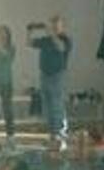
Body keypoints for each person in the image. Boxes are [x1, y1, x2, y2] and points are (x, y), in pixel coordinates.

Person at [27, 15, 72, 150]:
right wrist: (29, 30)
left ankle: (60, 133)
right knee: (47, 106)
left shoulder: (65, 39)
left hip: (57, 75)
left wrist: (49, 32)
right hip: (44, 75)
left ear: (61, 27)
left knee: (57, 104)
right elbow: (28, 43)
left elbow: (59, 47)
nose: (53, 28)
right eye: (52, 25)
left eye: (56, 25)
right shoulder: (46, 40)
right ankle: (52, 134)